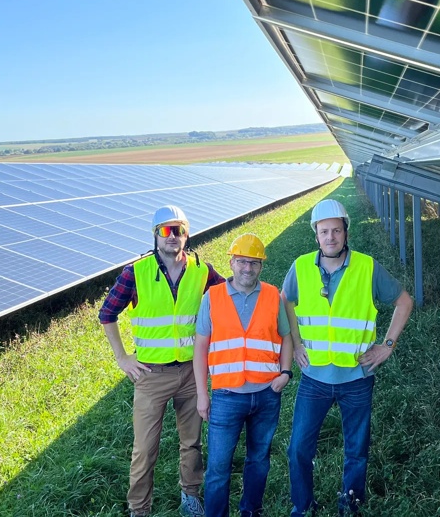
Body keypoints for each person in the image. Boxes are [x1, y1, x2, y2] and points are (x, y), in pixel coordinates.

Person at [284, 199, 414, 516]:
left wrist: (387, 345)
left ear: (346, 233)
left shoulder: (367, 267)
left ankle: (350, 506)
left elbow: (404, 301)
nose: (331, 237)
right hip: (314, 377)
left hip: (356, 378)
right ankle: (302, 507)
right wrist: (297, 343)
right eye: (324, 231)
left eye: (337, 231)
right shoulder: (300, 267)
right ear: (316, 234)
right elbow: (284, 301)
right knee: (298, 448)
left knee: (356, 450)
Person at [100, 205, 225, 517]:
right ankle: (139, 509)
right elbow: (107, 314)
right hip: (151, 376)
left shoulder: (202, 270)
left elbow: (231, 296)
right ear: (155, 234)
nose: (174, 236)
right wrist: (122, 358)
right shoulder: (136, 273)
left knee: (192, 442)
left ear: (187, 234)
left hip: (190, 373)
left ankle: (191, 496)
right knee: (144, 449)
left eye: (179, 230)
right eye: (167, 230)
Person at [193, 234, 294, 517]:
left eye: (254, 263)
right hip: (227, 396)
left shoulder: (273, 295)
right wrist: (203, 394)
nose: (247, 268)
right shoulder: (212, 297)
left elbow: (286, 337)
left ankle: (251, 511)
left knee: (259, 460)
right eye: (241, 262)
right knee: (218, 468)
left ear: (261, 266)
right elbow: (200, 346)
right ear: (231, 262)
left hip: (266, 395)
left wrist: (285, 372)